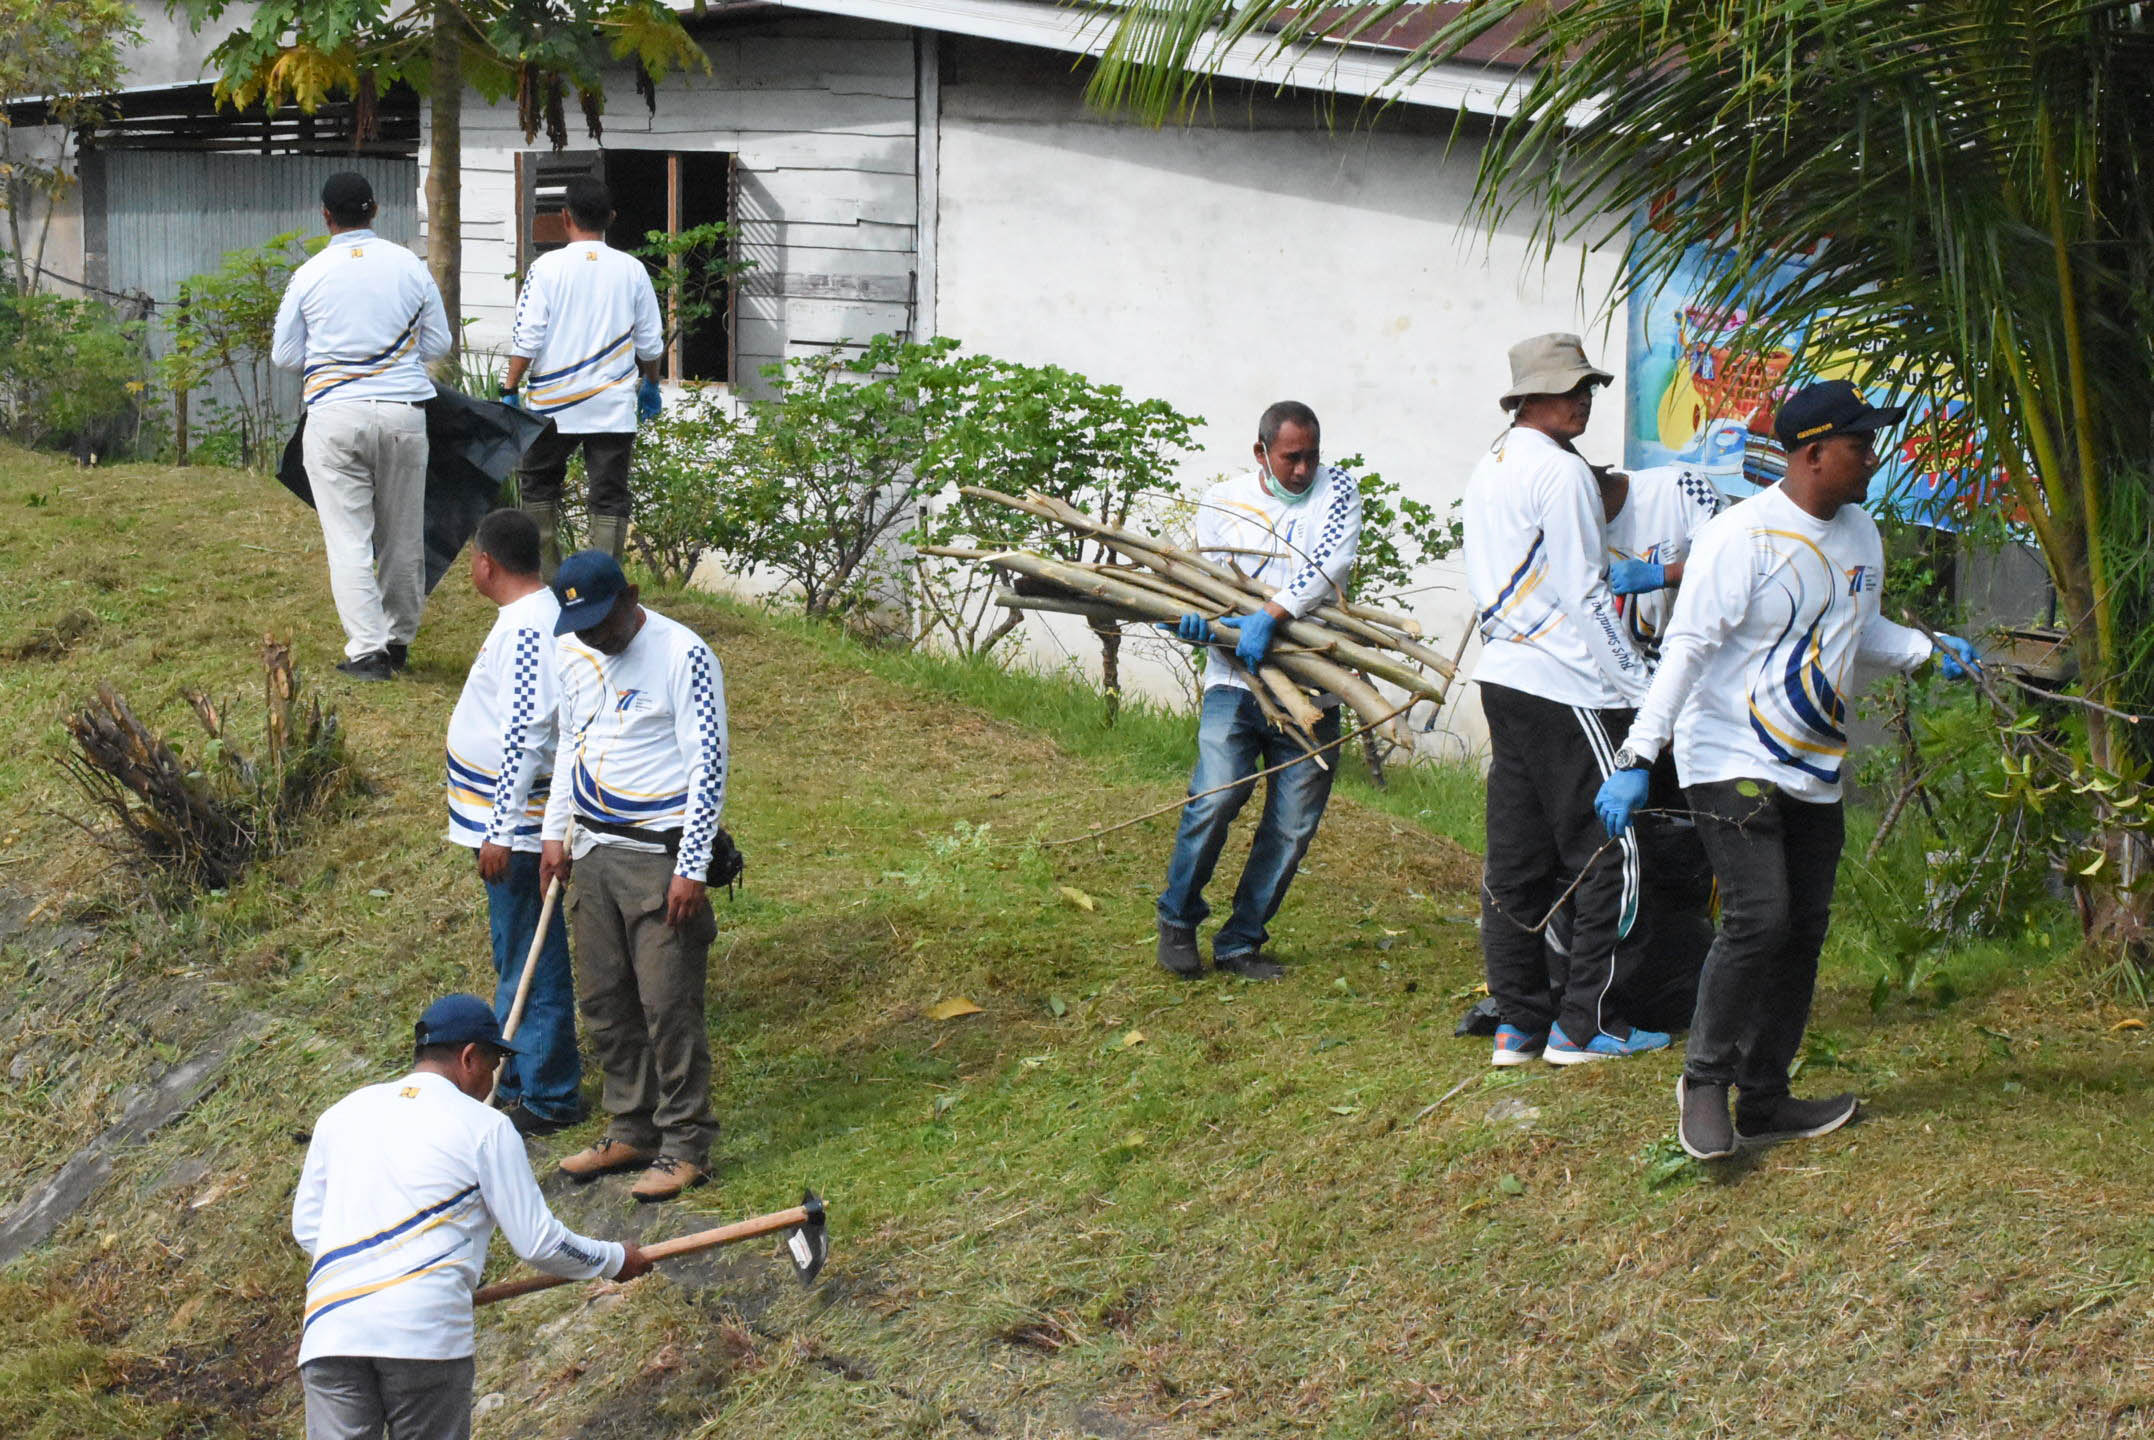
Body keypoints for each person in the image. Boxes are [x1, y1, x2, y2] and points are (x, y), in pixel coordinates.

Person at [1595, 378, 1981, 1159]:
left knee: (1802, 930)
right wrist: (1640, 754)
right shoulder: (1739, 539)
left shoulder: (1862, 533)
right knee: (1758, 917)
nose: (1873, 460)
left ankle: (1765, 1099)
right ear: (1813, 454)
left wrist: (1924, 652)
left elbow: (1854, 630)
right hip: (1726, 756)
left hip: (1813, 760)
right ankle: (1704, 1083)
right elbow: (1690, 649)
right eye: (1860, 446)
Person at [292, 994, 650, 1439]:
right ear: (468, 1057)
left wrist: (371, 1267)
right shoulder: (486, 1127)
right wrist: (616, 1259)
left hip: (331, 1332)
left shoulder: (340, 1115)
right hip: (424, 1335)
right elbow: (540, 1242)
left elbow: (308, 1227)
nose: (494, 1076)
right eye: (495, 1059)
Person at [1463, 332, 1667, 1067]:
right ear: (1531, 395)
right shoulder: (1560, 472)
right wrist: (1641, 691)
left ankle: (1519, 1026)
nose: (1585, 399)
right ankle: (1588, 1026)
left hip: (1505, 676)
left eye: (1589, 387)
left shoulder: (1491, 464)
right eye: (1571, 387)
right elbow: (1586, 593)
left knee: (1515, 861)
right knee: (1613, 853)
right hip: (1566, 684)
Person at [540, 551, 727, 1201]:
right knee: (605, 1000)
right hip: (591, 851)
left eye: (600, 620)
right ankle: (632, 1126)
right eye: (580, 624)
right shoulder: (575, 653)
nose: (593, 635)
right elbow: (572, 742)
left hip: (658, 856)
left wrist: (692, 865)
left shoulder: (684, 654)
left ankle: (686, 1142)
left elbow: (709, 765)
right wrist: (554, 833)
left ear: (631, 596)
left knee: (667, 1002)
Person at [1155, 400, 1362, 981]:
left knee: (1293, 824)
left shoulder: (1338, 489)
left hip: (1312, 687)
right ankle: (1177, 917)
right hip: (1233, 679)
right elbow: (1205, 581)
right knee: (1215, 798)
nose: (1302, 470)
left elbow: (1328, 563)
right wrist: (1199, 625)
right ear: (1262, 452)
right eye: (1291, 457)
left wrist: (1271, 614)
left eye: (1311, 456)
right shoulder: (1224, 498)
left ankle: (1241, 940)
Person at [272, 171, 453, 682]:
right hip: (403, 414)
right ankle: (398, 642)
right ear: (375, 213)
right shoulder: (409, 267)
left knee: (349, 538)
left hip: (334, 417)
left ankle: (367, 651)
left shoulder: (310, 273)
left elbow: (285, 355)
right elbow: (438, 345)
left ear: (326, 217)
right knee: (402, 536)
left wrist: (337, 358)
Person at [444, 509, 581, 1136]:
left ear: (484, 563)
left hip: (519, 829)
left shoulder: (528, 626)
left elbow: (528, 732)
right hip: (512, 821)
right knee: (517, 953)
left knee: (530, 956)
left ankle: (548, 1093)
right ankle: (521, 1080)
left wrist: (499, 830)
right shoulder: (532, 618)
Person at [502, 175, 666, 577]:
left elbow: (527, 338)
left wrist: (509, 387)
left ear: (565, 216)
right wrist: (651, 384)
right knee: (609, 498)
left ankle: (546, 580)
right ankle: (601, 586)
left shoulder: (546, 268)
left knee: (539, 489)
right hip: (611, 407)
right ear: (610, 217)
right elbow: (650, 343)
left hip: (551, 407)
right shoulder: (632, 270)